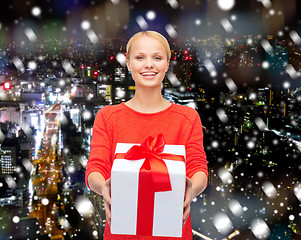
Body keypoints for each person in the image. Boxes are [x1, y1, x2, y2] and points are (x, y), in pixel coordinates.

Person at [85, 30, 208, 239]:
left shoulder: (187, 118)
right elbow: (96, 167)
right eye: (140, 57)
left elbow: (198, 166)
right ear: (129, 64)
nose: (149, 64)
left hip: (174, 231)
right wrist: (103, 187)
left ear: (167, 64)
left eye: (157, 58)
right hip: (121, 233)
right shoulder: (108, 117)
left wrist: (191, 190)